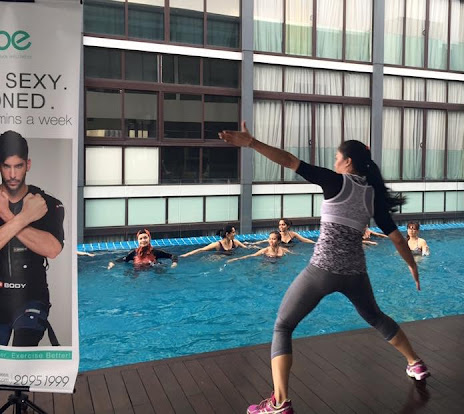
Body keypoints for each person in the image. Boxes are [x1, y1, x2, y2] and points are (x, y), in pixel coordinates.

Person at [220, 122, 428, 414]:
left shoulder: (335, 181)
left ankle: (280, 403)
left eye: (337, 157)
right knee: (376, 316)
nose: (334, 161)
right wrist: (412, 266)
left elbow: (289, 160)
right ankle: (415, 363)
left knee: (283, 326)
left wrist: (252, 143)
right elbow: (395, 237)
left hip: (323, 270)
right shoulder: (372, 195)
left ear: (348, 162)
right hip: (355, 273)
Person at [0, 130, 65, 347]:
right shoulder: (33, 209)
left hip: (32, 296)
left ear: (27, 165)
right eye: (6, 166)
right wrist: (24, 218)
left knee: (22, 358)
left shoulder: (46, 203)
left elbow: (52, 249)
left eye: (18, 166)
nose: (12, 174)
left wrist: (8, 217)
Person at [107, 229, 178, 270]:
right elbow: (123, 259)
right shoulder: (134, 253)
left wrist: (174, 263)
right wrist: (112, 263)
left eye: (145, 238)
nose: (143, 240)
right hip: (137, 272)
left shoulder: (155, 252)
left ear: (149, 239)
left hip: (153, 272)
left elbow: (172, 256)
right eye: (140, 238)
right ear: (138, 241)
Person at [180, 225, 249, 257]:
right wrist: (186, 255)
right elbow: (201, 249)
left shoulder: (235, 242)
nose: (235, 234)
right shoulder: (217, 244)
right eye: (233, 232)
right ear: (227, 234)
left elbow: (247, 248)